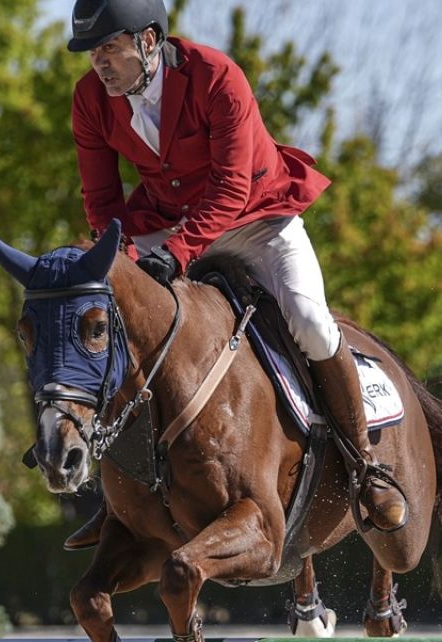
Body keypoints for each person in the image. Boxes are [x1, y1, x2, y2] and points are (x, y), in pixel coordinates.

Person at [63, 0, 407, 549]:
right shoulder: (90, 100)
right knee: (110, 317)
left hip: (256, 219)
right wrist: (119, 255)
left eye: (109, 49)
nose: (98, 64)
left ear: (148, 41)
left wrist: (175, 253)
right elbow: (101, 200)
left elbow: (230, 190)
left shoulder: (217, 77)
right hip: (169, 224)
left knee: (311, 323)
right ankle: (118, 498)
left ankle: (367, 468)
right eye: (91, 53)